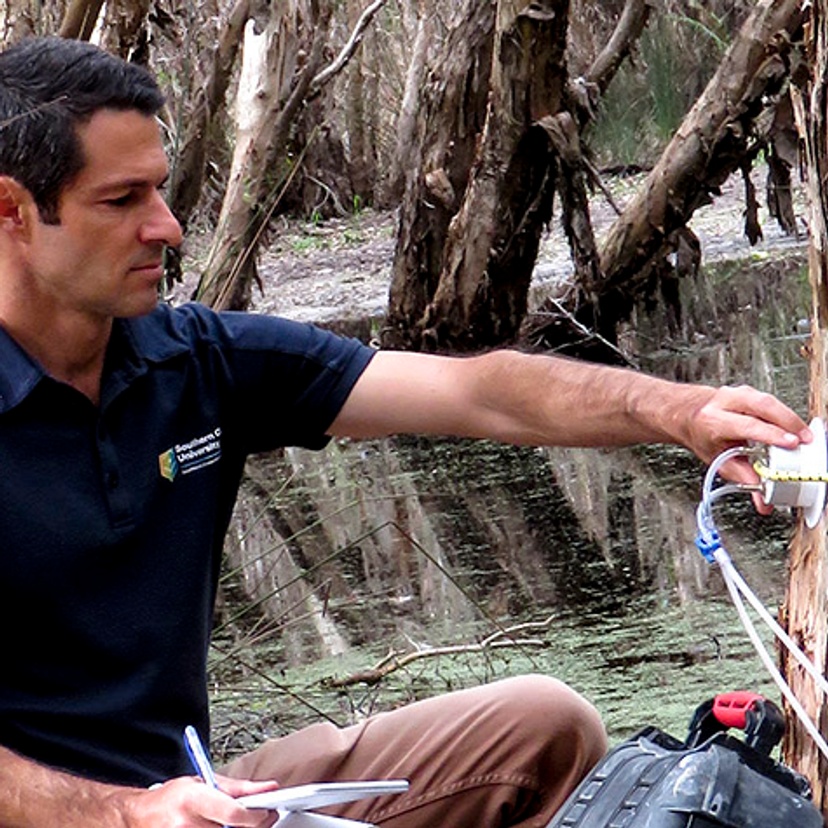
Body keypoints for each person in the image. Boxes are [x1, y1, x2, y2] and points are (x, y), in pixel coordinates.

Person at [0, 35, 811, 828]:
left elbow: (477, 391)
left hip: (200, 794)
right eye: (122, 200)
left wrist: (675, 413)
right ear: (12, 210)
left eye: (162, 190)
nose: (168, 227)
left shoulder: (193, 361)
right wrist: (123, 812)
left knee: (540, 727)